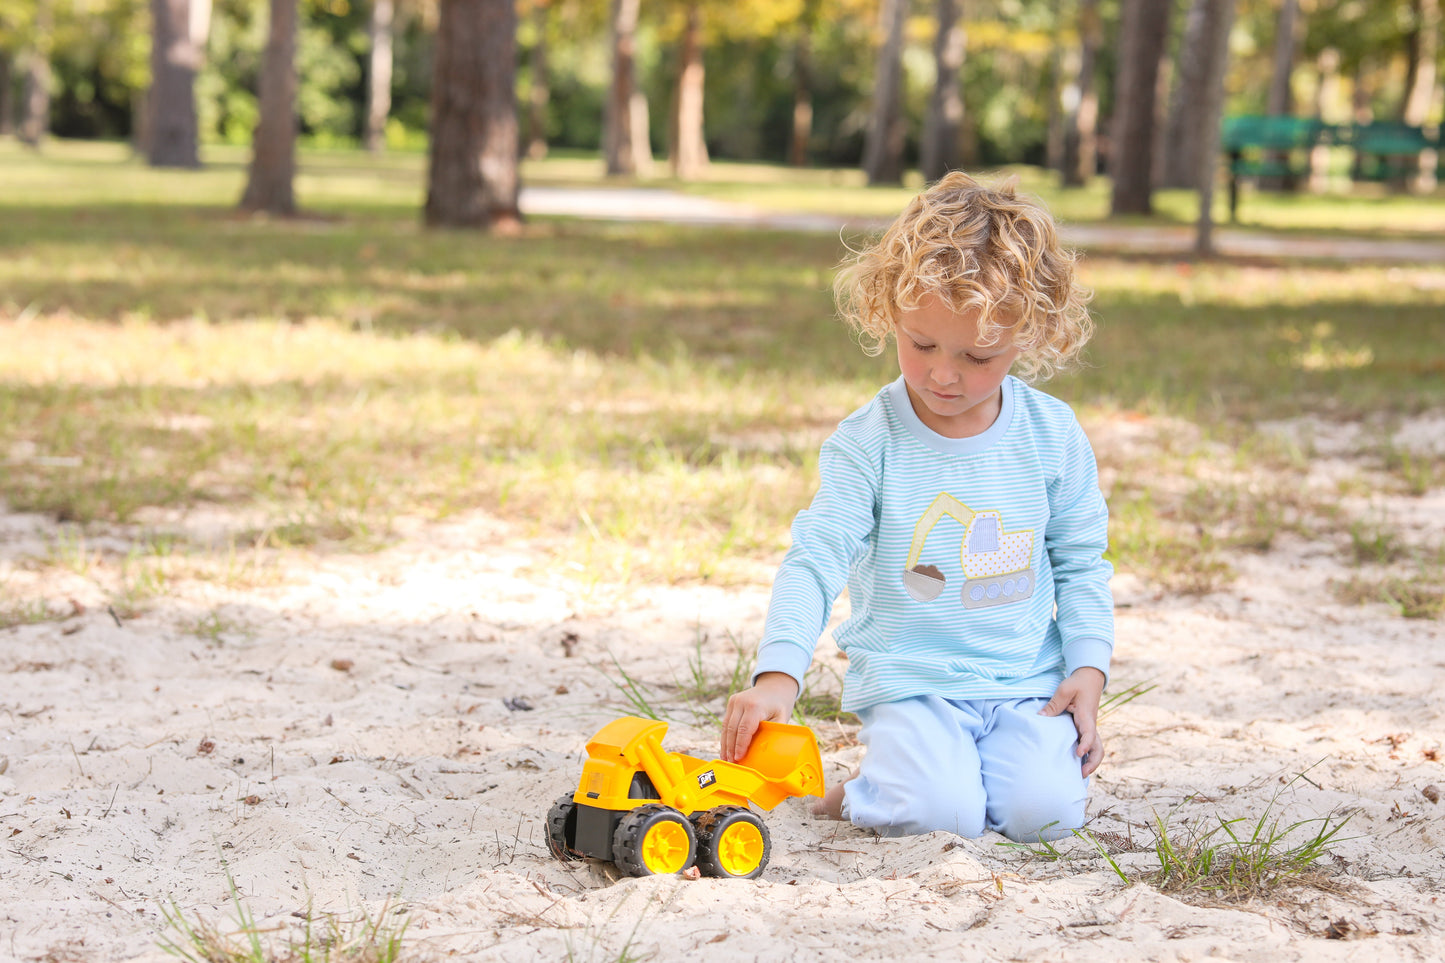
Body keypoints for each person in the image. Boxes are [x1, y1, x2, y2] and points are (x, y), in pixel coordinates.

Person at [720, 172, 1113, 843]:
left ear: (1031, 333)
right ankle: (866, 789)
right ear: (887, 313)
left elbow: (1081, 563)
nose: (942, 374)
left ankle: (945, 771)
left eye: (977, 354)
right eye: (919, 342)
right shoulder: (869, 439)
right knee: (940, 814)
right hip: (913, 681)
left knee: (1044, 814)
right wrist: (777, 676)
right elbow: (817, 557)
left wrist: (1086, 666)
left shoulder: (1051, 434)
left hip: (1026, 681)